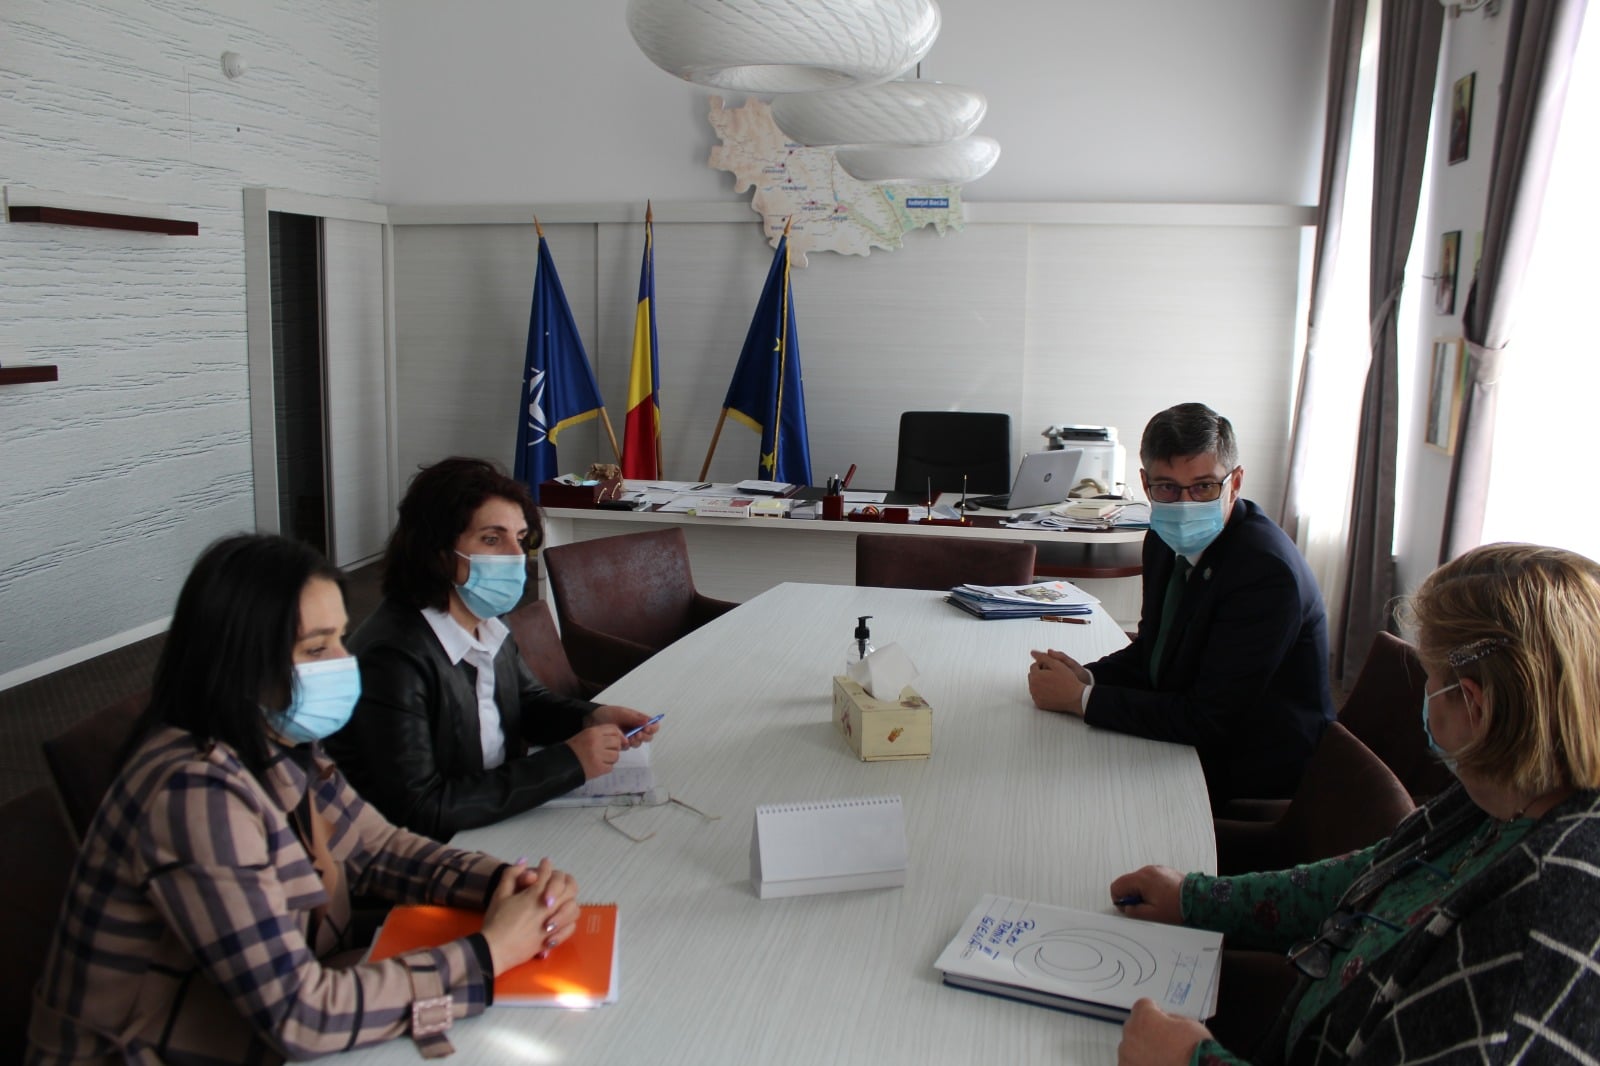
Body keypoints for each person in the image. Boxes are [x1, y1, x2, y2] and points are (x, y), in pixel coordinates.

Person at [28, 534, 579, 1061]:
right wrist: (490, 953)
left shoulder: (277, 738)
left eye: (340, 637)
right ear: (240, 661)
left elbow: (376, 848)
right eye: (317, 648)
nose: (344, 660)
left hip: (250, 1019)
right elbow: (302, 1017)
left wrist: (501, 882)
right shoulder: (193, 793)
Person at [1108, 543, 1600, 1065]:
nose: (1424, 698)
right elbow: (1375, 877)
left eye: (1429, 680)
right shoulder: (1510, 790)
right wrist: (1196, 898)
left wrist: (1193, 1061)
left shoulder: (1531, 935)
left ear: (1474, 706)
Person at [326, 457, 659, 840]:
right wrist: (569, 763)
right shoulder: (392, 659)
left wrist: (590, 718)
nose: (516, 555)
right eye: (491, 539)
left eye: (520, 538)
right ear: (437, 551)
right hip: (427, 848)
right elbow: (420, 809)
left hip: (493, 819)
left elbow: (526, 702)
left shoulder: (483, 619)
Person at [1027, 403, 1332, 804]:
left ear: (1235, 483)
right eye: (1167, 488)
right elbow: (1153, 650)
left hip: (1254, 763)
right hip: (1193, 727)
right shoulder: (1162, 539)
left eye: (1204, 487)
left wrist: (1081, 700)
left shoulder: (1266, 574)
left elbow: (1210, 718)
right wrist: (1087, 677)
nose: (1185, 505)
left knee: (1078, 794)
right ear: (1145, 483)